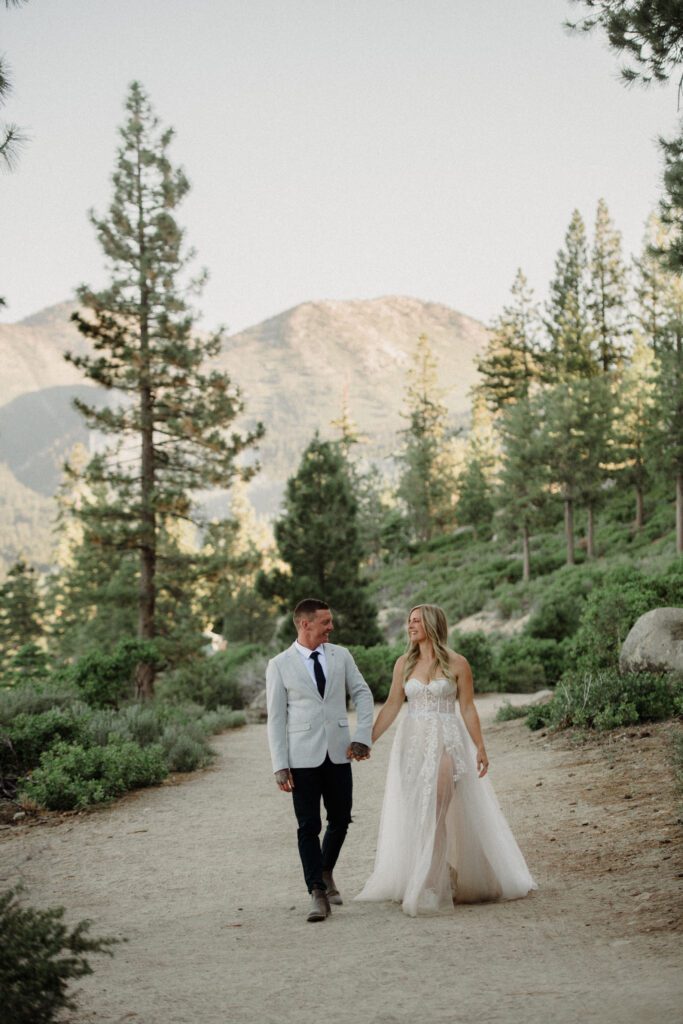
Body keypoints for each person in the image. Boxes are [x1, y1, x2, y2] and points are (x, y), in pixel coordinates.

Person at [355, 604, 536, 916]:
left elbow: (467, 707)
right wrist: (365, 740)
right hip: (411, 745)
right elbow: (393, 705)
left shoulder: (457, 663)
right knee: (418, 813)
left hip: (447, 743)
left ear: (431, 624)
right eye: (408, 621)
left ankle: (428, 882)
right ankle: (441, 872)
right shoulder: (404, 664)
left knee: (437, 810)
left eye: (415, 621)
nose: (410, 626)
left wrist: (480, 746)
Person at [266, 598, 375, 923]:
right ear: (305, 624)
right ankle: (316, 892)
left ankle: (325, 870)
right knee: (308, 826)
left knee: (341, 819)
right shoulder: (279, 664)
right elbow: (275, 718)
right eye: (325, 622)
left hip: (340, 752)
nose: (331, 627)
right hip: (301, 757)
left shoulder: (341, 655)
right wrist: (279, 763)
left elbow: (363, 693)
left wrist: (362, 736)